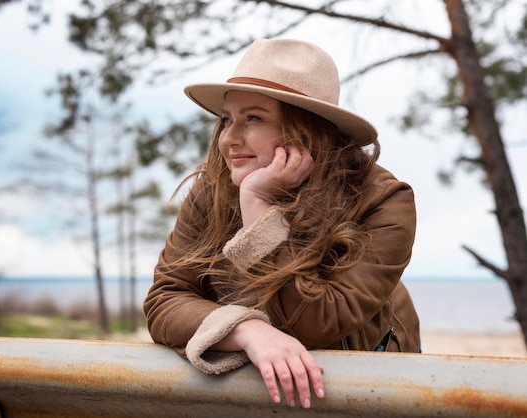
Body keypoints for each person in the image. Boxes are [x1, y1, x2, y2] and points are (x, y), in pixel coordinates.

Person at [143, 38, 420, 409]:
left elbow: (314, 324)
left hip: (371, 387)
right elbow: (164, 299)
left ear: (307, 128)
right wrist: (243, 328)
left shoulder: (383, 201)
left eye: (253, 118)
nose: (228, 139)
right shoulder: (211, 191)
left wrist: (258, 210)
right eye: (226, 119)